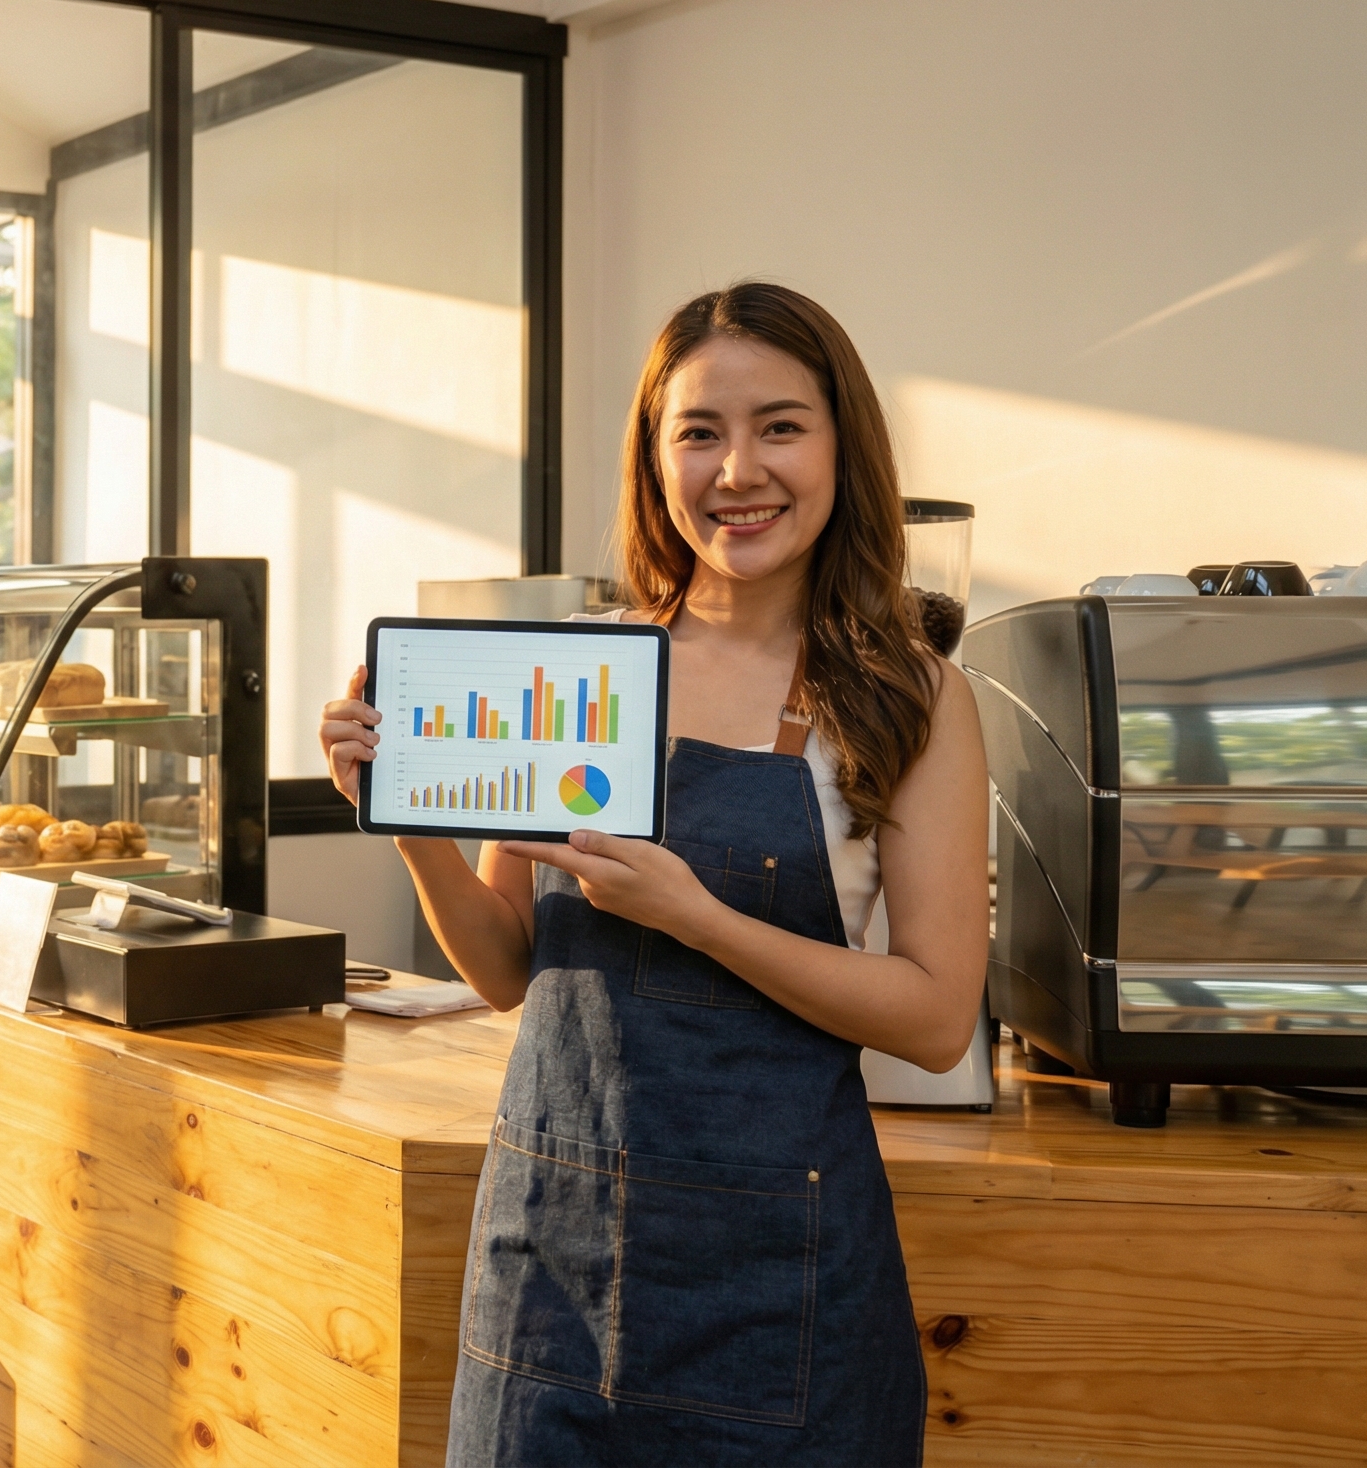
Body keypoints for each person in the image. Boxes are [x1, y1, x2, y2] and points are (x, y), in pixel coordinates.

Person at [321, 283, 987, 1465]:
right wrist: (402, 811)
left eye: (780, 426)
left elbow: (935, 1017)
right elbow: (502, 968)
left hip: (781, 1288)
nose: (738, 469)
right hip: (549, 1273)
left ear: (842, 446)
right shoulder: (573, 670)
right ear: (653, 454)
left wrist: (696, 916)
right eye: (699, 432)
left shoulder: (910, 697)